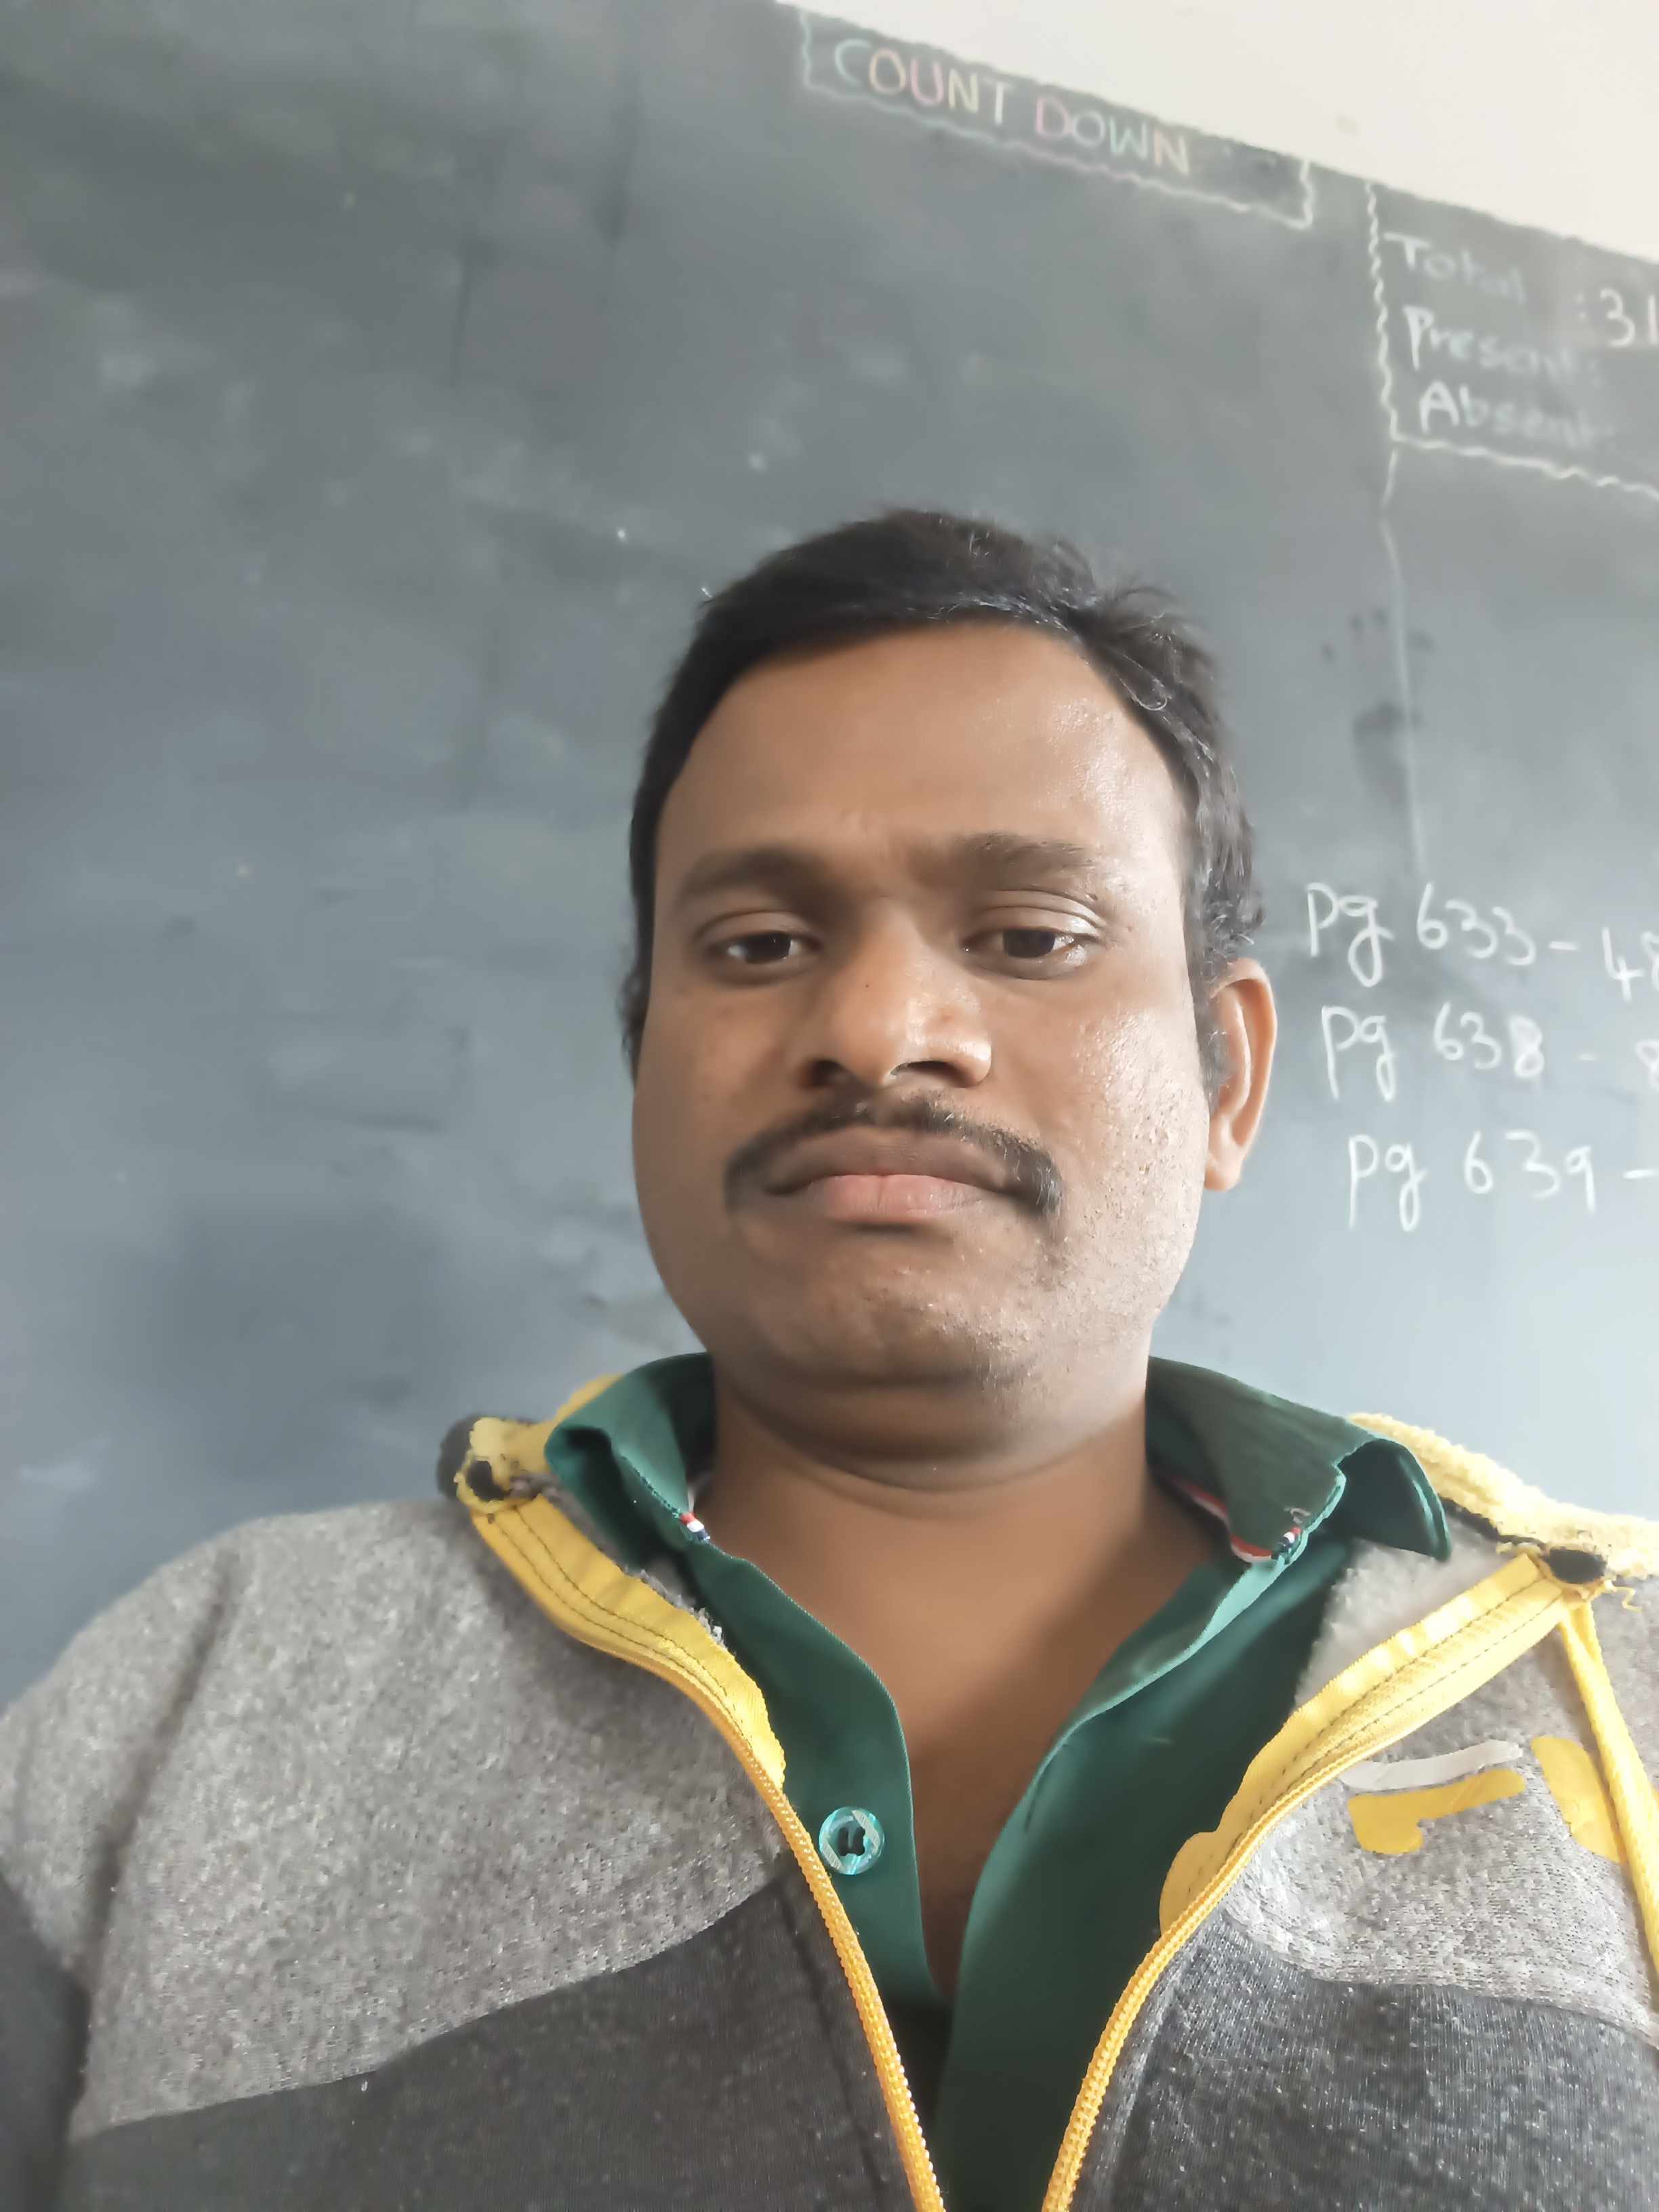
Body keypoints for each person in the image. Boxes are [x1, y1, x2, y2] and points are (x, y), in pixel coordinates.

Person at [3, 510, 1656, 2212]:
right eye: (760, 947)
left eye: (1029, 935)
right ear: (646, 1062)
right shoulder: (196, 1696)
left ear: (1225, 1077)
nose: (875, 1033)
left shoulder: (1628, 1686)